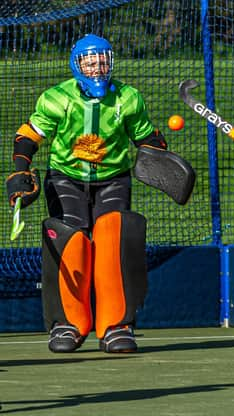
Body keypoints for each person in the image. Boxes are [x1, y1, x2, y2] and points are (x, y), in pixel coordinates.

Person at [5, 34, 168, 353]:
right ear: (77, 64)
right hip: (65, 177)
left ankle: (116, 325)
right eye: (89, 61)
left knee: (113, 240)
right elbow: (29, 134)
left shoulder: (128, 97)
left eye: (103, 60)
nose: (97, 67)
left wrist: (159, 154)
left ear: (111, 62)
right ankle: (67, 324)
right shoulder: (56, 98)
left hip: (113, 178)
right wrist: (21, 169)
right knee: (71, 241)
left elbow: (145, 136)